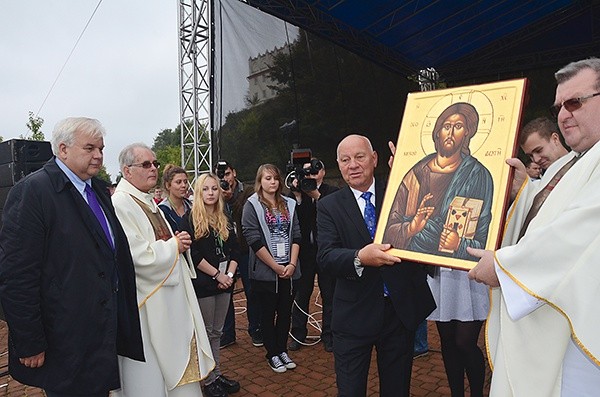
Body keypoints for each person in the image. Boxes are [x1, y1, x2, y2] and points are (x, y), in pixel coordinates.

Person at [468, 58, 600, 396]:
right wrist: (522, 191)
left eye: (575, 102)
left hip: (578, 333)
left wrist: (502, 268)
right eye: (559, 106)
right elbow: (555, 213)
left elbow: (576, 232)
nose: (564, 114)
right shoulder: (583, 160)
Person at [0, 117, 144, 396]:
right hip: (64, 338)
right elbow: (17, 275)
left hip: (99, 330)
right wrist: (29, 341)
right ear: (62, 150)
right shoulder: (34, 192)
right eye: (90, 148)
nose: (99, 155)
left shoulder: (98, 191)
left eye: (101, 148)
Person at [317, 134, 435, 396]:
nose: (353, 165)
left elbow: (431, 216)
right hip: (353, 316)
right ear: (339, 165)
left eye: (359, 157)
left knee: (396, 389)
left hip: (397, 313)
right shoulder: (329, 206)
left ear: (374, 159)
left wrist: (409, 176)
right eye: (345, 160)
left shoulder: (400, 192)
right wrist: (360, 257)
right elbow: (326, 257)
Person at [111, 143, 214, 396]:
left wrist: (178, 243)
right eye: (146, 164)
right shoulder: (121, 204)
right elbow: (135, 256)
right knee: (150, 374)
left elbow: (159, 242)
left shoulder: (148, 202)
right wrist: (173, 246)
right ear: (127, 170)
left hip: (169, 299)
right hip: (147, 306)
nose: (154, 169)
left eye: (155, 164)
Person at [382, 102, 494, 259]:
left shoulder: (477, 175)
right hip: (415, 267)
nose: (451, 133)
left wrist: (458, 244)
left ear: (467, 132)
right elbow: (389, 229)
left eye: (458, 126)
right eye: (447, 126)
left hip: (458, 271)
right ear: (438, 131)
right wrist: (411, 228)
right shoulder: (414, 174)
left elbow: (484, 238)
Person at [179, 173, 241, 397]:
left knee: (217, 331)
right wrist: (218, 275)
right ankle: (208, 380)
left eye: (214, 189)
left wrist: (230, 275)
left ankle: (216, 373)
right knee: (205, 332)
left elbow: (235, 248)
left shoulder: (225, 216)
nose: (211, 193)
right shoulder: (189, 219)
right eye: (205, 189)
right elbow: (192, 254)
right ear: (198, 192)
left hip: (226, 283)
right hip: (205, 285)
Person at [241, 164, 301, 373]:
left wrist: (292, 264)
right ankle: (272, 353)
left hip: (289, 270)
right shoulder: (252, 205)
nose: (272, 182)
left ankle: (282, 350)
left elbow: (297, 235)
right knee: (268, 314)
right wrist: (275, 267)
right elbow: (253, 240)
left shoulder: (290, 204)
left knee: (285, 313)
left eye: (275, 178)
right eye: (267, 178)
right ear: (260, 181)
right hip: (266, 273)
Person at [288, 159, 338, 353]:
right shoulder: (298, 192)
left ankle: (329, 336)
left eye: (315, 171)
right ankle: (298, 334)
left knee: (329, 294)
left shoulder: (331, 192)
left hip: (326, 251)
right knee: (301, 294)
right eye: (307, 172)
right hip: (305, 253)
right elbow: (294, 221)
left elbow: (331, 212)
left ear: (323, 171)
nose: (311, 175)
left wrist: (315, 194)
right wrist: (299, 197)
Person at [219, 161, 263, 349]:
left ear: (234, 173)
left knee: (251, 291)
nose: (225, 179)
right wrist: (221, 199)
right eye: (221, 175)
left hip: (246, 250)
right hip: (225, 252)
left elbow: (245, 215)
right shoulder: (216, 193)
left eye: (227, 174)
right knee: (225, 292)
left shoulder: (248, 192)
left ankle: (256, 330)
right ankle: (227, 334)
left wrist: (229, 198)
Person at [158, 164, 192, 231]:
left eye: (185, 182)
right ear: (168, 185)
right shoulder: (162, 210)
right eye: (178, 182)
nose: (183, 185)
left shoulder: (191, 206)